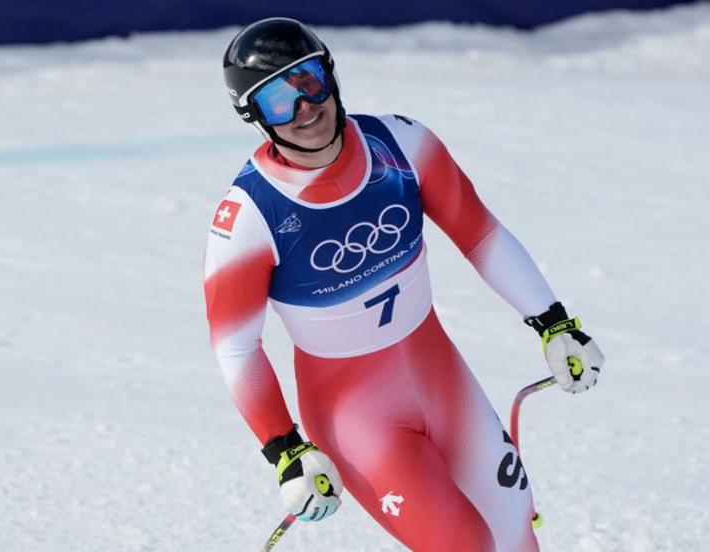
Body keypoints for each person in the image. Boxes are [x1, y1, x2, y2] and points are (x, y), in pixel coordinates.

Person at [204, 17, 605, 552]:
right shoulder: (250, 217)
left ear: (330, 75)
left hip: (442, 381)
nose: (305, 109)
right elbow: (236, 346)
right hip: (357, 418)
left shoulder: (402, 144)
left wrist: (554, 322)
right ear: (254, 117)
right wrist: (286, 451)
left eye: (309, 83)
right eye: (279, 102)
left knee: (515, 534)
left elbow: (480, 234)